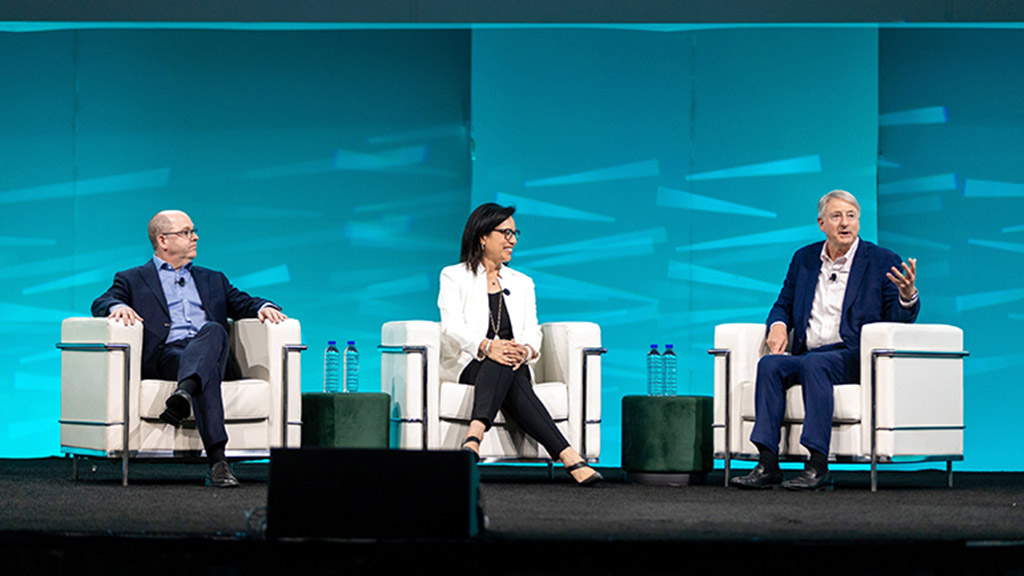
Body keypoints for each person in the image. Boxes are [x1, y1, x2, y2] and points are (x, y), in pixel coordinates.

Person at [730, 190, 920, 491]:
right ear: (821, 223)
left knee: (815, 365)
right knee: (770, 365)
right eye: (836, 216)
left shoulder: (882, 260)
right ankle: (767, 464)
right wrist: (778, 324)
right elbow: (784, 303)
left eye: (851, 216)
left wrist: (907, 296)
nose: (845, 223)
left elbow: (898, 319)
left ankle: (817, 465)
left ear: (859, 221)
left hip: (851, 354)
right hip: (809, 353)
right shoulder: (804, 259)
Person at [92, 210, 287, 488]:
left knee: (214, 330)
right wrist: (118, 306)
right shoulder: (132, 278)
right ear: (163, 241)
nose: (195, 237)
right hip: (169, 357)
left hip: (212, 350)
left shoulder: (213, 279)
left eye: (193, 231)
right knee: (202, 365)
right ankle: (218, 462)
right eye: (186, 232)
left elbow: (243, 302)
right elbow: (102, 300)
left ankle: (185, 392)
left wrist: (263, 307)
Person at [438, 203, 602, 486]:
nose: (512, 240)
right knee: (497, 359)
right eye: (506, 233)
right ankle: (568, 455)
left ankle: (474, 437)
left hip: (517, 364)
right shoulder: (454, 276)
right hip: (473, 363)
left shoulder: (522, 282)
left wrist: (525, 350)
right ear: (482, 236)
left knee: (508, 365)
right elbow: (452, 327)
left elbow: (533, 332)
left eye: (515, 234)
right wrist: (488, 347)